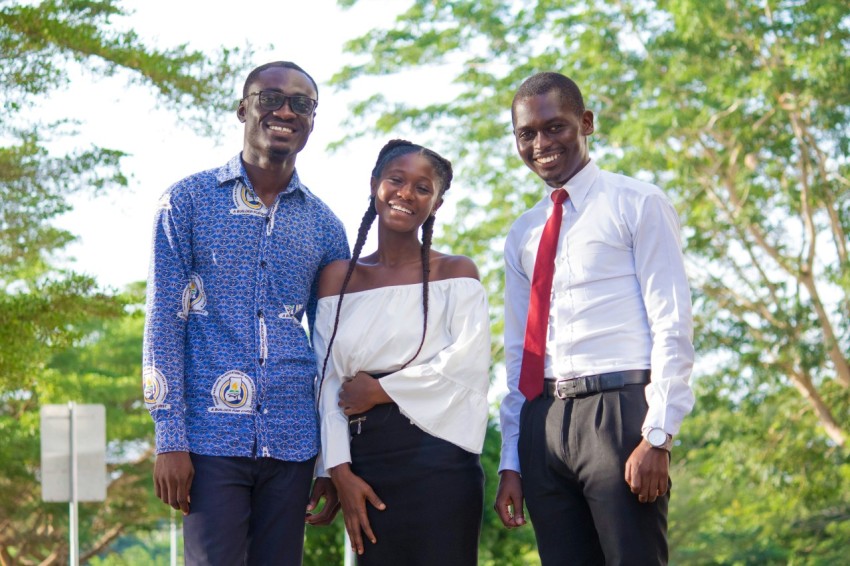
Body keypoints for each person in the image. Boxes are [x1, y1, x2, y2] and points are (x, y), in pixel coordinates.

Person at [142, 61, 348, 565]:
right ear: (243, 108)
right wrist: (169, 438)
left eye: (301, 103)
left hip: (294, 442)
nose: (284, 111)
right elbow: (163, 324)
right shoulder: (185, 202)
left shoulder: (326, 226)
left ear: (313, 120)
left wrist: (331, 457)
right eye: (269, 98)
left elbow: (334, 349)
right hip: (211, 440)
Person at [494, 71, 695, 565]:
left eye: (555, 127)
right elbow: (519, 352)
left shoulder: (637, 203)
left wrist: (659, 434)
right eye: (527, 133)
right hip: (544, 422)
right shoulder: (523, 233)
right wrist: (512, 459)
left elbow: (672, 323)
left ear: (586, 123)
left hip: (619, 415)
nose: (541, 143)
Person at [312, 139, 490, 565]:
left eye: (423, 188)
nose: (406, 193)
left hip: (441, 462)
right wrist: (338, 470)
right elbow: (327, 380)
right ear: (375, 184)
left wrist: (381, 391)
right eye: (396, 179)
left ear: (437, 203)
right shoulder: (338, 278)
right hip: (364, 463)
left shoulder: (456, 273)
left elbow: (467, 369)